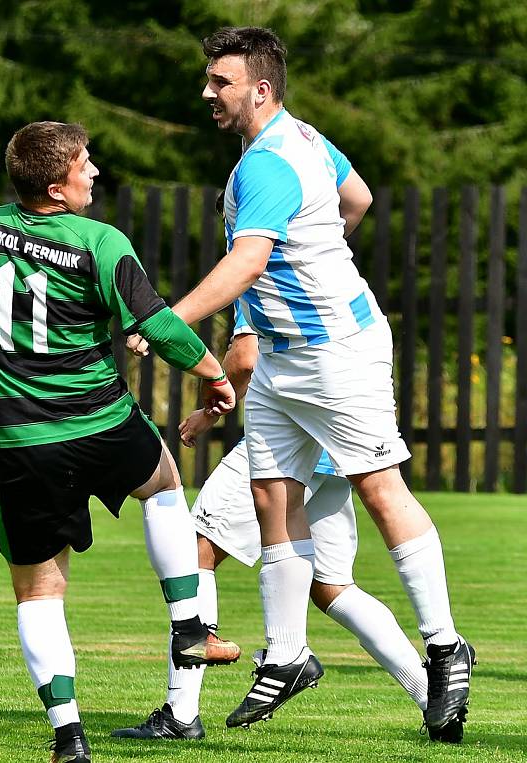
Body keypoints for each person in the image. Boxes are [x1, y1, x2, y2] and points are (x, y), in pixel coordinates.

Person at [167, 26, 474, 742]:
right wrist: (317, 252)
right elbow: (357, 198)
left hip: (336, 351)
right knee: (273, 495)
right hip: (283, 358)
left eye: (221, 81)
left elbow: (244, 267)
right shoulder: (302, 136)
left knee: (378, 487)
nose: (208, 92)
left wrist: (165, 318)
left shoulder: (267, 166)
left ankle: (445, 645)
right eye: (209, 79)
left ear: (260, 89)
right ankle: (287, 652)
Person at [0, 121, 241, 763]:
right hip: (102, 422)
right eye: (85, 164)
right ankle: (188, 627)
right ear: (57, 189)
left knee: (39, 591)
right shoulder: (100, 242)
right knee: (165, 486)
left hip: (22, 441)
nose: (95, 172)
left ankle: (69, 737)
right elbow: (160, 326)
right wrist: (214, 375)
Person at [113, 321, 449, 742]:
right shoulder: (325, 274)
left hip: (289, 447)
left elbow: (246, 356)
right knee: (331, 587)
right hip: (335, 444)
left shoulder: (259, 261)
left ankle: (181, 713)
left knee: (195, 546)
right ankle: (434, 698)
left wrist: (208, 409)